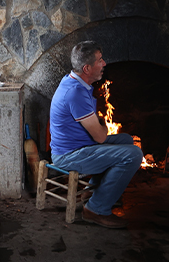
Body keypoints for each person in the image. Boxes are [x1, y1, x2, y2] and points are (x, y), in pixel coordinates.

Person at [49, 40, 143, 229]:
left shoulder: (73, 81)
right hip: (69, 155)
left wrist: (99, 123)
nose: (104, 64)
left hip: (80, 145)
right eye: (100, 60)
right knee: (134, 155)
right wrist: (102, 122)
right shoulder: (75, 93)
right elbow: (100, 136)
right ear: (86, 68)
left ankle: (92, 192)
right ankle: (95, 210)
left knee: (126, 140)